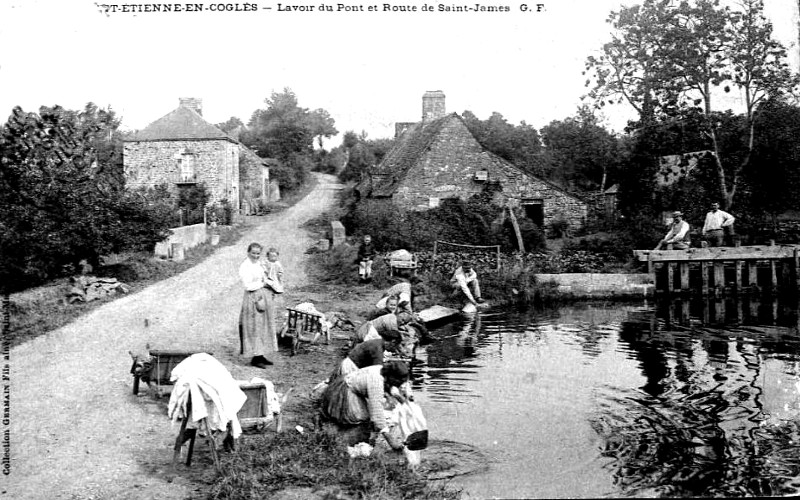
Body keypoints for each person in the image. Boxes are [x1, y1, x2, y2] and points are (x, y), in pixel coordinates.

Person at [321, 360, 410, 450]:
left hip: (348, 385)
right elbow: (377, 413)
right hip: (344, 392)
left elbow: (388, 387)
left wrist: (403, 401)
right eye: (398, 381)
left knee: (370, 416)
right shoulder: (376, 382)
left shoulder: (381, 370)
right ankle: (346, 440)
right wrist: (391, 441)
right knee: (361, 418)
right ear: (392, 376)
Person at [238, 243, 278, 368]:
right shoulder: (245, 266)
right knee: (254, 327)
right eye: (253, 253)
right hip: (252, 298)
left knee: (263, 326)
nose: (255, 255)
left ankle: (261, 355)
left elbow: (263, 278)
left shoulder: (259, 264)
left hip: (262, 296)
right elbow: (248, 285)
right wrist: (262, 285)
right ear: (248, 252)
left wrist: (271, 285)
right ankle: (255, 358)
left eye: (258, 253)